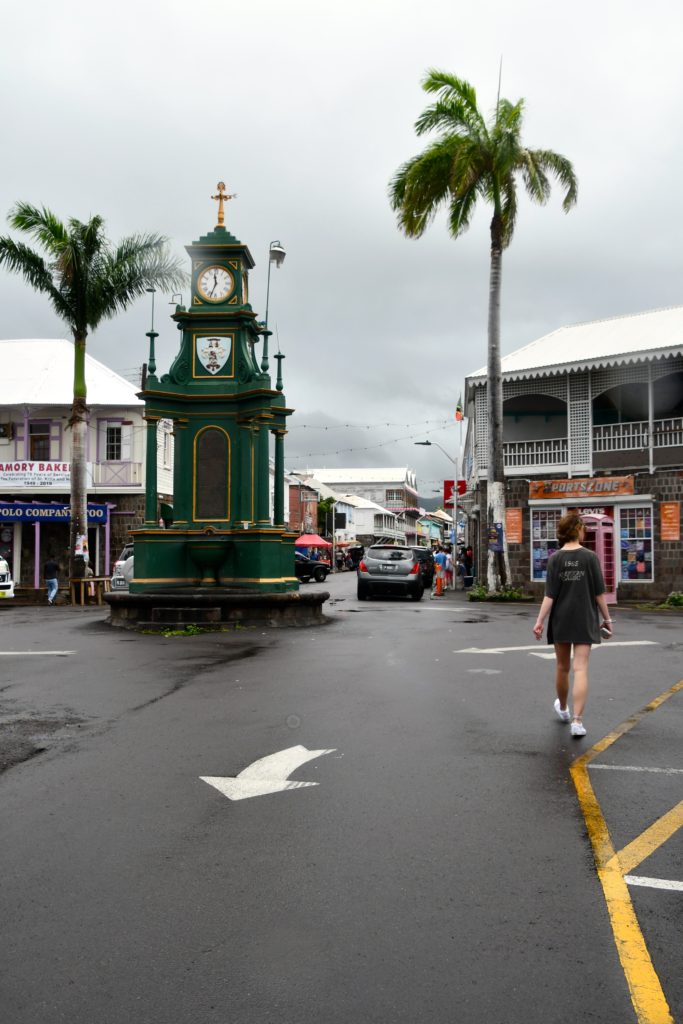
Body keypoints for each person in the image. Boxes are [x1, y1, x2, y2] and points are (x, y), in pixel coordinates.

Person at [533, 512, 613, 738]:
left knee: (562, 667)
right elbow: (599, 594)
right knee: (581, 669)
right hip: (585, 618)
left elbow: (550, 595)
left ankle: (564, 709)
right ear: (578, 529)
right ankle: (577, 722)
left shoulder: (555, 558)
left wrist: (539, 621)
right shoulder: (590, 557)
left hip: (561, 618)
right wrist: (607, 620)